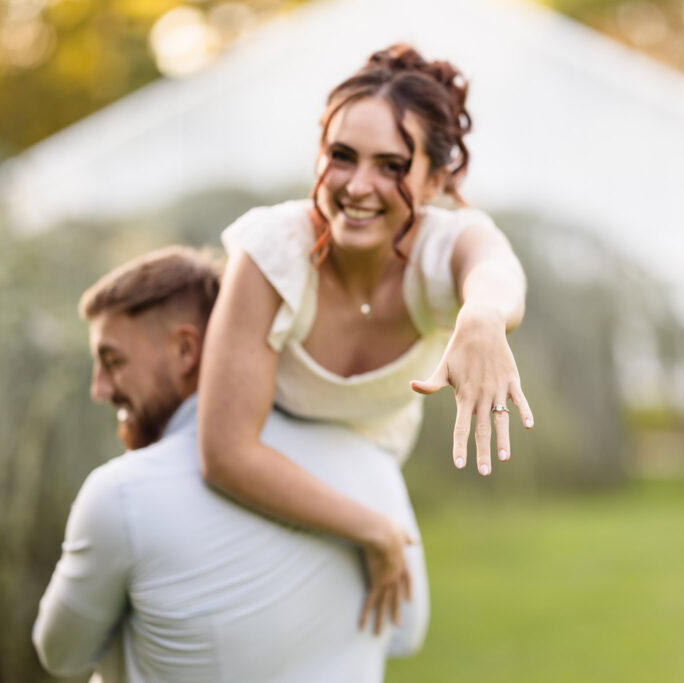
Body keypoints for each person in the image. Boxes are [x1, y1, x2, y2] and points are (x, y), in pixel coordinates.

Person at [199, 43, 532, 649]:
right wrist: (374, 531)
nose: (358, 185)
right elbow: (223, 451)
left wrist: (482, 318)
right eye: (341, 156)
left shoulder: (445, 245)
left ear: (434, 180)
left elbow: (495, 266)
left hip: (366, 477)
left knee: (400, 632)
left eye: (392, 165)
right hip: (255, 476)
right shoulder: (272, 250)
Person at [34, 246, 424, 682]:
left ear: (185, 349)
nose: (100, 389)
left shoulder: (121, 496)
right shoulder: (369, 462)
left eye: (113, 361)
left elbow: (61, 654)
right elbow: (404, 633)